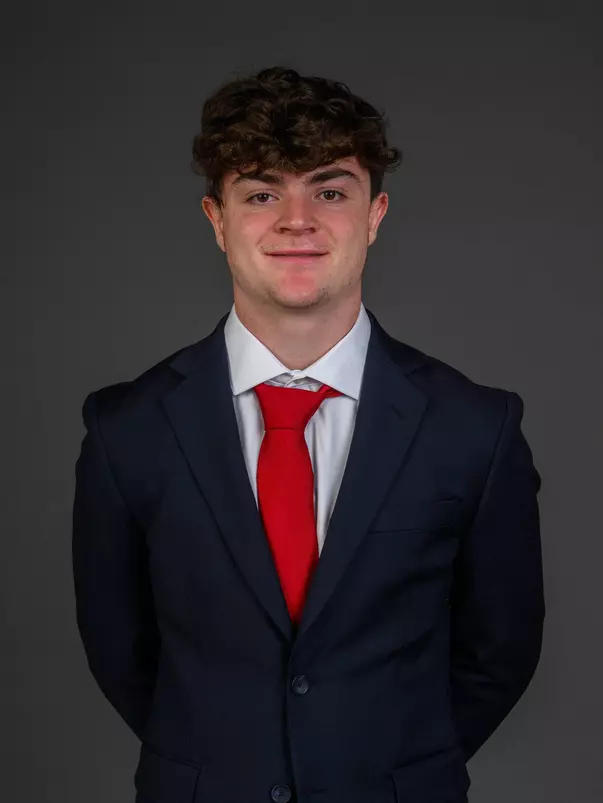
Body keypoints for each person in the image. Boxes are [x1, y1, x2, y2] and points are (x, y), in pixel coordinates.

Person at [72, 66, 545, 803]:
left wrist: (389, 761)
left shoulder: (474, 428)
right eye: (261, 193)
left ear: (374, 213)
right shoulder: (125, 428)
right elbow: (120, 650)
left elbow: (499, 651)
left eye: (328, 190)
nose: (297, 219)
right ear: (216, 218)